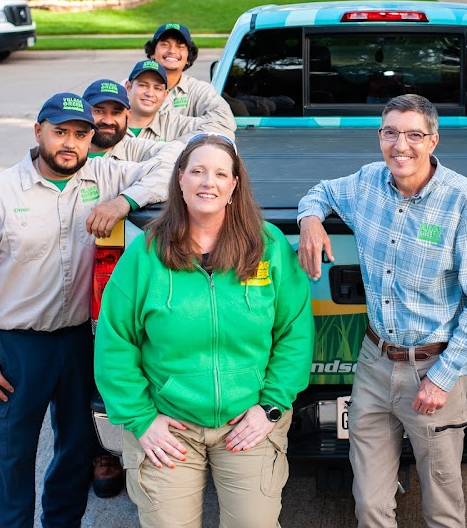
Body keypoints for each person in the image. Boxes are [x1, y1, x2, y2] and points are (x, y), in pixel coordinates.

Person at [0, 92, 169, 527]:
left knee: (76, 450)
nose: (70, 143)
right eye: (61, 132)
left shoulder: (103, 176)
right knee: (11, 455)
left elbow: (177, 162)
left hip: (78, 343)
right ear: (38, 132)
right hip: (17, 347)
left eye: (81, 134)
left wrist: (125, 201)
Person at [296, 94, 467, 528]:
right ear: (379, 136)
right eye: (391, 133)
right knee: (369, 504)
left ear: (433, 140)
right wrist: (310, 220)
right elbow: (322, 191)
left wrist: (445, 378)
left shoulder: (462, 200)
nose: (400, 145)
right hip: (373, 364)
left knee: (442, 509)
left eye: (414, 135)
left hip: (432, 370)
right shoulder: (368, 182)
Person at [94, 134, 314, 527]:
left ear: (234, 185)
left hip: (247, 422)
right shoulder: (145, 253)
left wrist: (270, 407)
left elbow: (294, 332)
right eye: (197, 171)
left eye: (219, 173)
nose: (207, 182)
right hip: (169, 426)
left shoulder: (268, 246)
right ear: (180, 180)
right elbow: (115, 342)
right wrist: (141, 419)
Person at [145, 22, 240, 129]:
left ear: (188, 57)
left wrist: (174, 129)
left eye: (180, 46)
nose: (172, 51)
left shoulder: (200, 90)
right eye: (164, 45)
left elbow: (226, 121)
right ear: (152, 53)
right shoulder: (132, 87)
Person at [124, 59, 236, 142]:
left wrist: (177, 146)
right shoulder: (112, 122)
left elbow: (223, 128)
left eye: (157, 88)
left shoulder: (173, 123)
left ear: (165, 95)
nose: (149, 93)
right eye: (143, 85)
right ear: (128, 87)